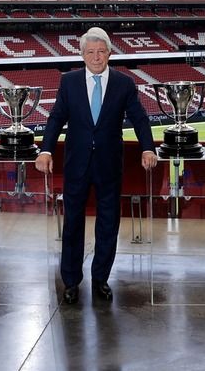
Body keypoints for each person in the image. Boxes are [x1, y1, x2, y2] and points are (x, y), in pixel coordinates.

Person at [35, 27, 157, 304]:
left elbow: (139, 118)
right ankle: (70, 281)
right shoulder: (69, 81)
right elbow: (56, 118)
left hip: (109, 164)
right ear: (82, 55)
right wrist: (46, 150)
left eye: (101, 51)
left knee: (108, 223)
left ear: (109, 53)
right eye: (90, 52)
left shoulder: (124, 83)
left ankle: (100, 278)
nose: (96, 57)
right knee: (72, 224)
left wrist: (148, 147)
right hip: (76, 163)